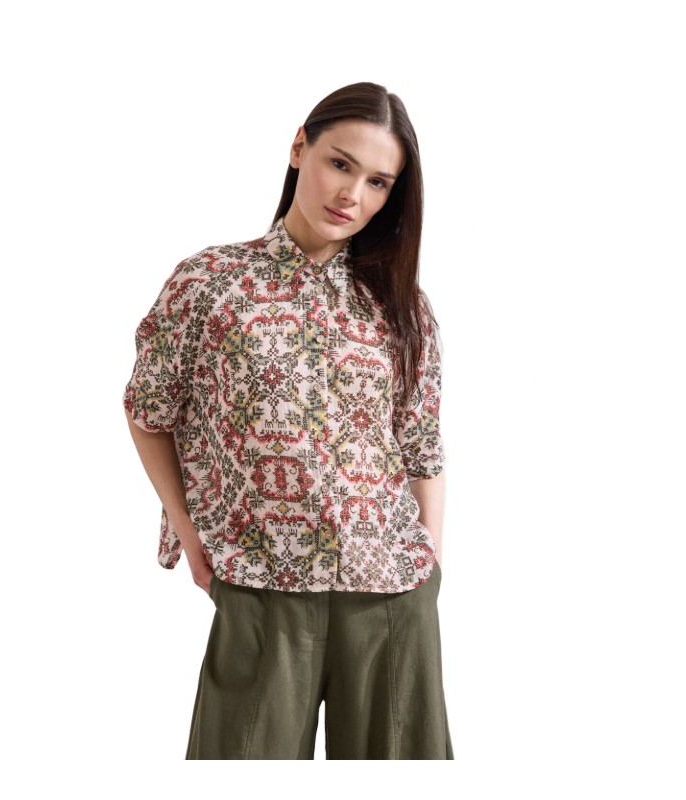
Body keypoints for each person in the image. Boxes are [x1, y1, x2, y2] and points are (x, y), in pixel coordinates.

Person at [122, 81, 453, 760]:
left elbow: (421, 448)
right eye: (340, 164)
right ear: (300, 147)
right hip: (260, 583)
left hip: (389, 590)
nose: (352, 195)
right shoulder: (210, 282)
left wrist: (430, 567)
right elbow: (149, 411)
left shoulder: (402, 305)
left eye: (378, 182)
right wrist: (187, 529)